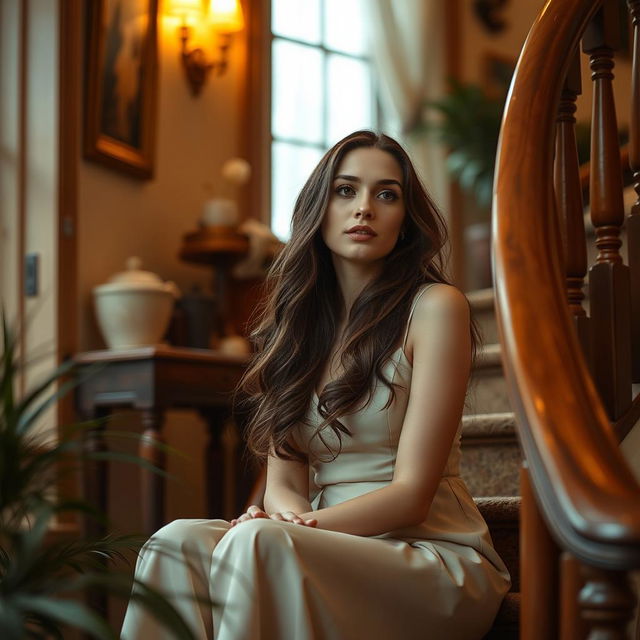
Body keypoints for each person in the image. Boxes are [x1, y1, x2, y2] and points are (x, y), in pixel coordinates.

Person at [121, 130, 510, 640]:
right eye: (345, 190)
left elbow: (412, 497)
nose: (364, 208)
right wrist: (287, 521)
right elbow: (285, 483)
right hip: (322, 543)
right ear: (318, 208)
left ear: (405, 220)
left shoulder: (436, 307)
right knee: (174, 542)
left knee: (256, 542)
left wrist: (287, 531)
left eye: (386, 194)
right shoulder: (296, 331)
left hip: (428, 555)